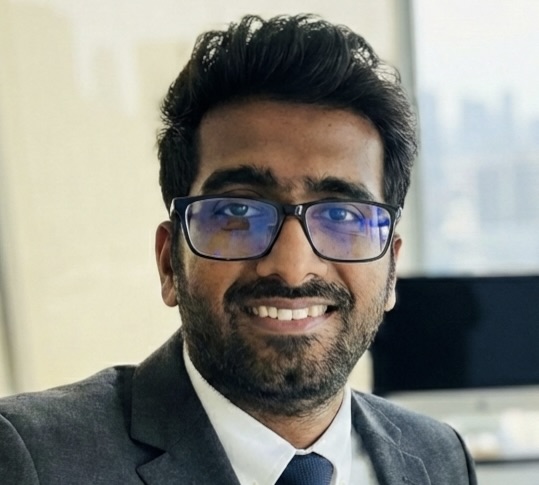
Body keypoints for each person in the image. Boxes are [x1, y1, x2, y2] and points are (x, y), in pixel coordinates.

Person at [0, 14, 477, 484]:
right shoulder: (36, 460)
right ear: (169, 263)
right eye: (238, 212)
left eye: (342, 216)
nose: (292, 268)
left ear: (391, 268)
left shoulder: (439, 457)